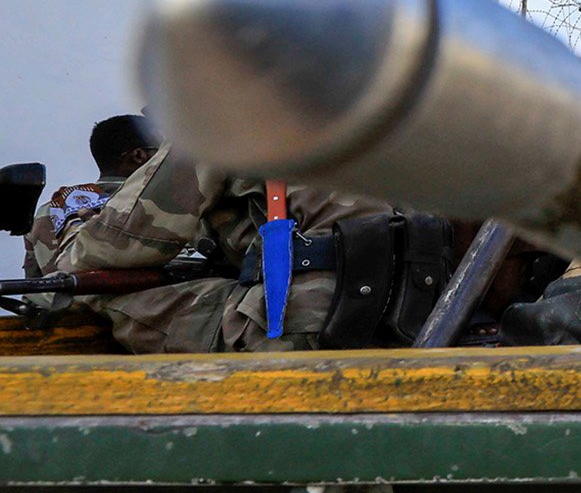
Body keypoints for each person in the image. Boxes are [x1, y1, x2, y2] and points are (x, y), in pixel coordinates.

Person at [34, 131, 445, 354]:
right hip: (416, 320)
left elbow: (124, 243)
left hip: (306, 326)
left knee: (94, 292)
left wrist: (68, 251)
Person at [21, 114, 161, 279]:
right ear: (138, 156)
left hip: (68, 302)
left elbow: (34, 288)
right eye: (164, 154)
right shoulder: (163, 206)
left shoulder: (49, 210)